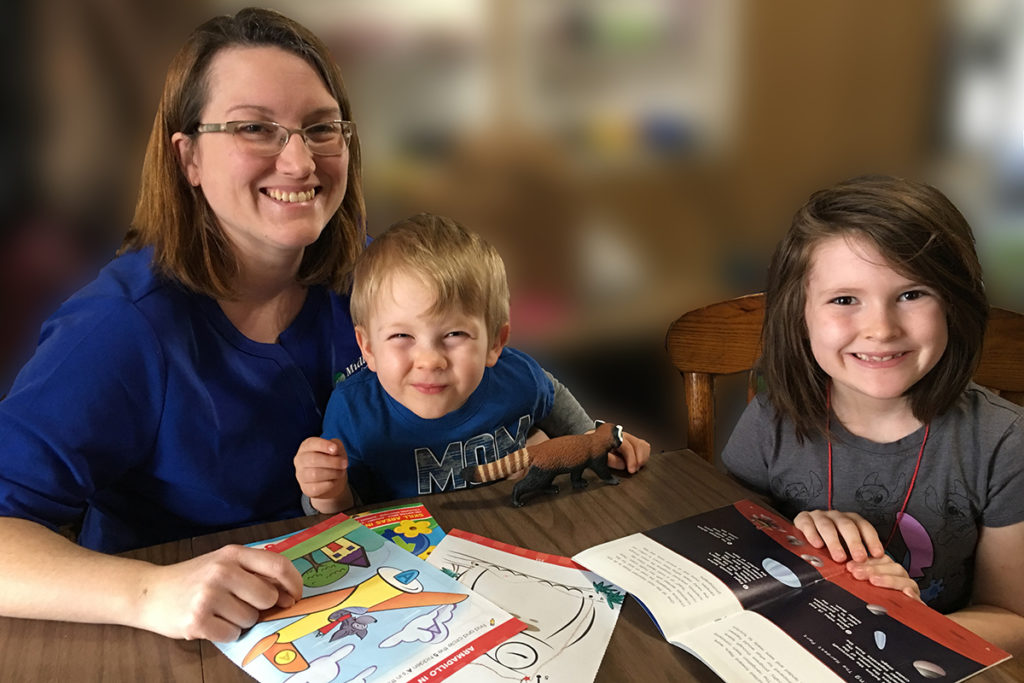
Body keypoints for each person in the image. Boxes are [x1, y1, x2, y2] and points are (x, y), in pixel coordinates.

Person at [0, 8, 366, 641]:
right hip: (181, 639)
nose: (302, 161)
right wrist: (151, 593)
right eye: (256, 127)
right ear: (188, 156)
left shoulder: (373, 279)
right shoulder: (121, 326)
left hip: (357, 598)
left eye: (321, 127)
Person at [721, 175, 1024, 654]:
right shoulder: (771, 418)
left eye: (912, 294)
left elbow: (1012, 618)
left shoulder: (1004, 441)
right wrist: (791, 537)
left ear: (953, 304)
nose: (880, 329)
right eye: (844, 299)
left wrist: (911, 620)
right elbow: (726, 550)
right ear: (799, 315)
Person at [294, 213, 650, 513]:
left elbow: (550, 392)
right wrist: (326, 492)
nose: (430, 360)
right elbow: (344, 515)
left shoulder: (516, 376)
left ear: (495, 342)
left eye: (454, 335)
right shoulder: (354, 411)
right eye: (402, 336)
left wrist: (591, 436)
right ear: (367, 347)